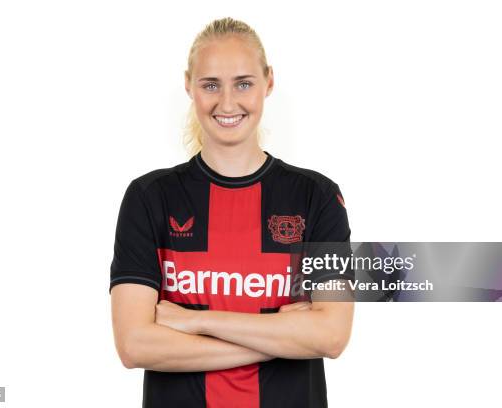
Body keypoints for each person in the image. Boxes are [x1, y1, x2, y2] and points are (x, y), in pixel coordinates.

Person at [109, 17, 354, 408]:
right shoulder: (148, 197)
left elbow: (332, 336)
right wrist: (286, 335)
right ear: (189, 85)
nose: (227, 103)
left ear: (268, 82)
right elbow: (134, 344)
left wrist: (198, 320)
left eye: (243, 83)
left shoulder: (318, 197)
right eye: (210, 85)